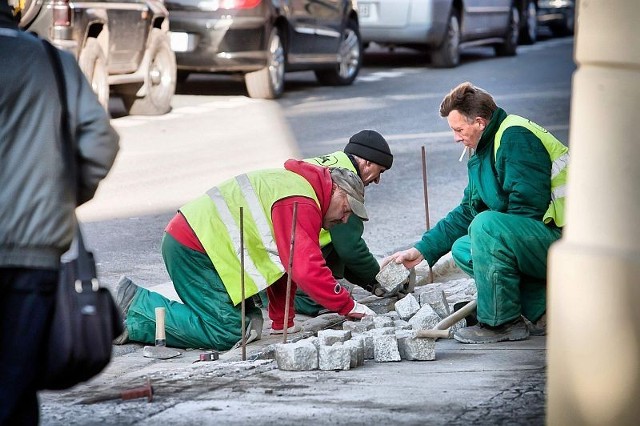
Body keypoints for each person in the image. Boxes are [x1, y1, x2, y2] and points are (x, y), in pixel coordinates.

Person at [0, 1, 120, 423]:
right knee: (16, 382)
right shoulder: (49, 61)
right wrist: (64, 197)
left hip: (32, 252)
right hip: (34, 253)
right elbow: (100, 142)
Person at [113, 161, 377, 350]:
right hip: (194, 247)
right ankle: (138, 306)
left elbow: (282, 265)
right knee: (228, 333)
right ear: (336, 191)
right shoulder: (301, 200)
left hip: (201, 245)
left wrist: (281, 321)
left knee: (251, 323)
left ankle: (139, 310)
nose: (344, 219)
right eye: (346, 209)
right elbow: (305, 267)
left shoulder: (301, 191)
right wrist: (348, 306)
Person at [386, 82, 568, 344]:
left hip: (565, 241)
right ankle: (543, 311)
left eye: (458, 130)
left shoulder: (515, 137)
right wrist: (422, 250)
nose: (456, 138)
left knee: (486, 229)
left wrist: (493, 250)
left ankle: (501, 322)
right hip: (536, 240)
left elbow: (529, 210)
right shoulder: (485, 148)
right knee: (464, 247)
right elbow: (466, 212)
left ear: (480, 122)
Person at [263, 129, 394, 315]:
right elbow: (351, 249)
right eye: (379, 171)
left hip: (276, 247)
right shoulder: (345, 182)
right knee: (327, 295)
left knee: (334, 254)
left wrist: (369, 284)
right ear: (367, 163)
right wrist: (380, 281)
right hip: (281, 259)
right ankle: (277, 295)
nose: (378, 180)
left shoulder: (334, 162)